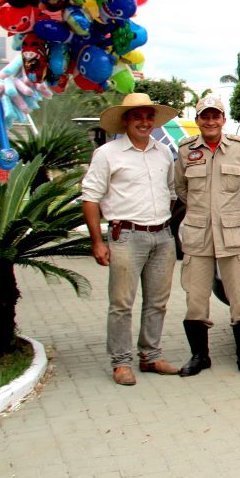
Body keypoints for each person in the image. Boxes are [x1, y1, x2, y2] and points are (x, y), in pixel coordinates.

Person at [80, 93, 180, 385]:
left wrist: (159, 219)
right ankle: (121, 362)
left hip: (162, 235)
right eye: (137, 116)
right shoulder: (108, 154)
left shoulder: (162, 152)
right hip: (126, 236)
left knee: (158, 302)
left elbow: (171, 193)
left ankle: (150, 355)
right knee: (122, 303)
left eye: (149, 116)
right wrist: (97, 241)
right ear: (126, 120)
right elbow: (90, 198)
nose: (144, 122)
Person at [174, 94, 240, 378]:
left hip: (233, 234)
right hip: (199, 235)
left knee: (239, 297)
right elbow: (182, 190)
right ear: (198, 120)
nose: (210, 121)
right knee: (196, 299)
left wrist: (229, 211)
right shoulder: (186, 150)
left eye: (216, 116)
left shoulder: (238, 149)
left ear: (224, 120)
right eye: (205, 116)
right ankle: (200, 356)